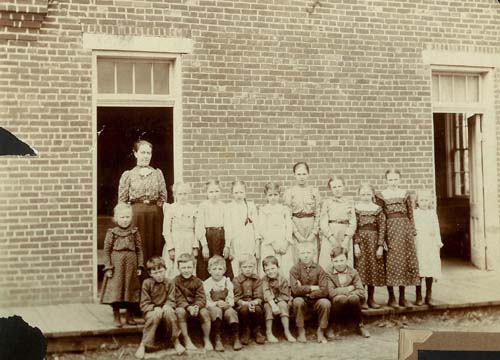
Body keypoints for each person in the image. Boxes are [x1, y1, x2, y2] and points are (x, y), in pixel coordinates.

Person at [374, 169, 420, 308]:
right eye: (390, 179)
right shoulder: (381, 195)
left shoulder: (405, 194)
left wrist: (412, 232)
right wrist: (382, 239)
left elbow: (410, 215)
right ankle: (391, 297)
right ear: (386, 180)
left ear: (399, 179)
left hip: (404, 231)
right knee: (392, 262)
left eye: (395, 179)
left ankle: (402, 297)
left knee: (404, 262)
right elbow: (380, 216)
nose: (393, 182)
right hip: (390, 231)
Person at [118, 140, 168, 264]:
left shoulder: (157, 173)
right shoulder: (128, 175)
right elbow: (122, 201)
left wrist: (154, 208)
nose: (146, 156)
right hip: (136, 216)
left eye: (149, 153)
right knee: (138, 247)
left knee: (155, 246)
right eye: (143, 152)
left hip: (155, 216)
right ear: (135, 154)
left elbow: (163, 197)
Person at [100, 202, 143, 327]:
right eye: (122, 217)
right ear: (116, 218)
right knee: (116, 290)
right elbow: (107, 251)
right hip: (116, 265)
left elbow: (139, 249)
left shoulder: (134, 232)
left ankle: (129, 316)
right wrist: (108, 267)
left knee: (130, 289)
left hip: (131, 265)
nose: (125, 220)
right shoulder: (112, 232)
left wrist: (140, 265)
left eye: (127, 217)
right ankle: (116, 316)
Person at [135, 256, 185, 359]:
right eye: (155, 273)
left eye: (161, 271)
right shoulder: (147, 283)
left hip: (166, 308)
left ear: (165, 270)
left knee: (170, 314)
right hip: (151, 311)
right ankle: (144, 344)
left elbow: (172, 299)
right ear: (150, 274)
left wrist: (167, 305)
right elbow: (144, 303)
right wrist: (154, 307)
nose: (159, 275)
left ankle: (175, 341)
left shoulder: (170, 282)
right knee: (154, 316)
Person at [353, 183, 387, 309]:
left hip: (373, 241)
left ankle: (372, 298)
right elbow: (354, 228)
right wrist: (356, 244)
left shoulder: (377, 209)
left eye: (368, 194)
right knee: (361, 269)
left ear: (372, 194)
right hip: (361, 242)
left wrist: (380, 246)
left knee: (372, 269)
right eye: (363, 194)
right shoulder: (356, 208)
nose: (365, 196)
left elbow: (382, 228)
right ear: (359, 195)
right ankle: (362, 299)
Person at [289, 242, 331, 344]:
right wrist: (313, 287)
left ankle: (321, 330)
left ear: (313, 254)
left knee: (325, 303)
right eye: (303, 253)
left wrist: (307, 293)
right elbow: (295, 290)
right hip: (301, 300)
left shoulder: (319, 269)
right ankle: (301, 330)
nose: (306, 255)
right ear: (298, 254)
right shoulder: (294, 269)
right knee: (297, 301)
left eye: (308, 252)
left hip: (317, 300)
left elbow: (324, 290)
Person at [327, 247, 370, 339]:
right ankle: (332, 325)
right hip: (336, 302)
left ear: (347, 259)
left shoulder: (353, 272)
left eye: (342, 260)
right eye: (336, 261)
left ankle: (359, 325)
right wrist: (348, 289)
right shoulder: (328, 273)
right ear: (332, 261)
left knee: (354, 298)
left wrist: (344, 292)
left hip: (352, 300)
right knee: (340, 298)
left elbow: (361, 291)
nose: (339, 264)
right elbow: (331, 292)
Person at [173, 253, 212, 351]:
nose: (186, 270)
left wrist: (196, 306)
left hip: (195, 307)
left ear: (193, 267)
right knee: (180, 312)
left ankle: (206, 339)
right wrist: (188, 307)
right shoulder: (175, 282)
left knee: (205, 312)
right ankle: (186, 339)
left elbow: (201, 297)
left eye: (189, 267)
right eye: (183, 267)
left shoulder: (198, 281)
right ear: (178, 268)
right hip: (183, 307)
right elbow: (178, 298)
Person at [195, 179, 233, 280]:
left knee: (222, 262)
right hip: (208, 237)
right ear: (207, 193)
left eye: (216, 191)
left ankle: (223, 289)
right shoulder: (203, 206)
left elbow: (228, 226)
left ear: (220, 192)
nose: (214, 194)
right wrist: (204, 245)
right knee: (206, 263)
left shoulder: (224, 207)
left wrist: (227, 245)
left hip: (221, 237)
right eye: (211, 192)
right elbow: (199, 226)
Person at [284, 162, 321, 262]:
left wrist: (314, 233)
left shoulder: (314, 191)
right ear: (294, 175)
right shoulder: (289, 192)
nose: (301, 177)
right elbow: (288, 215)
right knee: (297, 256)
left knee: (312, 256)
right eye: (299, 174)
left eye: (304, 174)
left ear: (308, 174)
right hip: (296, 225)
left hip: (311, 225)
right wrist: (296, 233)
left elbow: (318, 213)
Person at [203, 255, 242, 351]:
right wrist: (215, 304)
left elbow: (231, 298)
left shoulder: (227, 282)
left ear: (224, 270)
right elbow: (206, 301)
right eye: (214, 269)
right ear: (209, 270)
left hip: (225, 306)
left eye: (220, 269)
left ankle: (236, 337)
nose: (217, 272)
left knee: (231, 312)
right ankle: (217, 338)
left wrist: (228, 303)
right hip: (213, 307)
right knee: (217, 311)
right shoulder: (207, 283)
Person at [319, 176, 356, 270]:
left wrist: (347, 238)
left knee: (344, 258)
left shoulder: (349, 202)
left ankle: (346, 282)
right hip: (331, 234)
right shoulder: (327, 203)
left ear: (344, 187)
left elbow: (353, 222)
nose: (337, 189)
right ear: (330, 189)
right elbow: (323, 222)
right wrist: (331, 238)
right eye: (334, 187)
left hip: (345, 234)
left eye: (339, 186)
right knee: (328, 259)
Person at [258, 183, 294, 277]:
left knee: (284, 266)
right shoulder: (263, 210)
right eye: (270, 195)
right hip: (270, 243)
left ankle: (285, 287)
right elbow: (262, 228)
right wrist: (273, 244)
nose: (273, 197)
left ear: (279, 195)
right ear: (266, 196)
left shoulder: (284, 209)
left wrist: (286, 242)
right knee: (270, 264)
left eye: (275, 195)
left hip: (283, 241)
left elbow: (289, 226)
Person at [162, 182, 198, 278]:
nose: (183, 197)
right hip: (175, 241)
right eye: (180, 194)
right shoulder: (170, 209)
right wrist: (170, 247)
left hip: (189, 241)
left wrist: (195, 246)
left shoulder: (193, 208)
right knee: (173, 268)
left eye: (185, 194)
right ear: (175, 195)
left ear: (189, 194)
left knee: (188, 265)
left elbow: (196, 229)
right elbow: (166, 230)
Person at [414, 190, 443, 306]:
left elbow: (436, 228)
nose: (424, 203)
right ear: (417, 201)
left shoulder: (432, 213)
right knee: (420, 268)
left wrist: (437, 242)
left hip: (430, 244)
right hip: (419, 243)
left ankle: (428, 295)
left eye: (426, 200)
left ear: (429, 201)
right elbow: (413, 228)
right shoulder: (415, 213)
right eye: (421, 200)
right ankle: (418, 295)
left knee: (430, 267)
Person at [225, 181, 260, 276]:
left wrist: (257, 245)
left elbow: (256, 227)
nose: (239, 195)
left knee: (250, 264)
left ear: (245, 193)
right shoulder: (229, 207)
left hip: (249, 240)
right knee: (237, 265)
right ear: (232, 194)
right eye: (236, 193)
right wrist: (229, 246)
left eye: (241, 192)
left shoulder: (250, 206)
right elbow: (228, 228)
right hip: (236, 241)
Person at [233, 253, 266, 345]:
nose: (248, 269)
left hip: (255, 303)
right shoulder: (236, 280)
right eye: (245, 267)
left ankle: (257, 330)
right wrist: (246, 304)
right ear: (240, 268)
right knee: (244, 310)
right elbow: (237, 297)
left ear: (254, 267)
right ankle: (245, 330)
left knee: (258, 309)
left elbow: (259, 296)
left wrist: (254, 302)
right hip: (241, 304)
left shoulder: (257, 279)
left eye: (250, 267)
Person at [261, 256, 296, 343]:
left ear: (278, 267)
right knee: (267, 307)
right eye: (267, 270)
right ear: (264, 271)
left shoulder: (282, 279)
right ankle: (269, 332)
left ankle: (287, 331)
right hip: (268, 301)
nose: (270, 271)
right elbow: (266, 293)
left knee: (283, 305)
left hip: (280, 300)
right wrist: (273, 304)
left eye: (273, 268)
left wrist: (277, 301)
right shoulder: (264, 280)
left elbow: (285, 295)